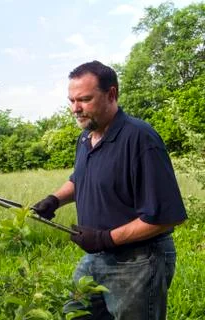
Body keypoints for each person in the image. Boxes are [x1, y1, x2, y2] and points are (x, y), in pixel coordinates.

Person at [33, 60, 187, 320]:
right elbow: (80, 179)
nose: (75, 109)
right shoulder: (86, 137)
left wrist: (106, 238)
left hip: (138, 261)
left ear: (112, 94)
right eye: (71, 100)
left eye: (84, 99)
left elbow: (168, 217)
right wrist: (55, 199)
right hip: (96, 258)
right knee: (75, 313)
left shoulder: (140, 139)